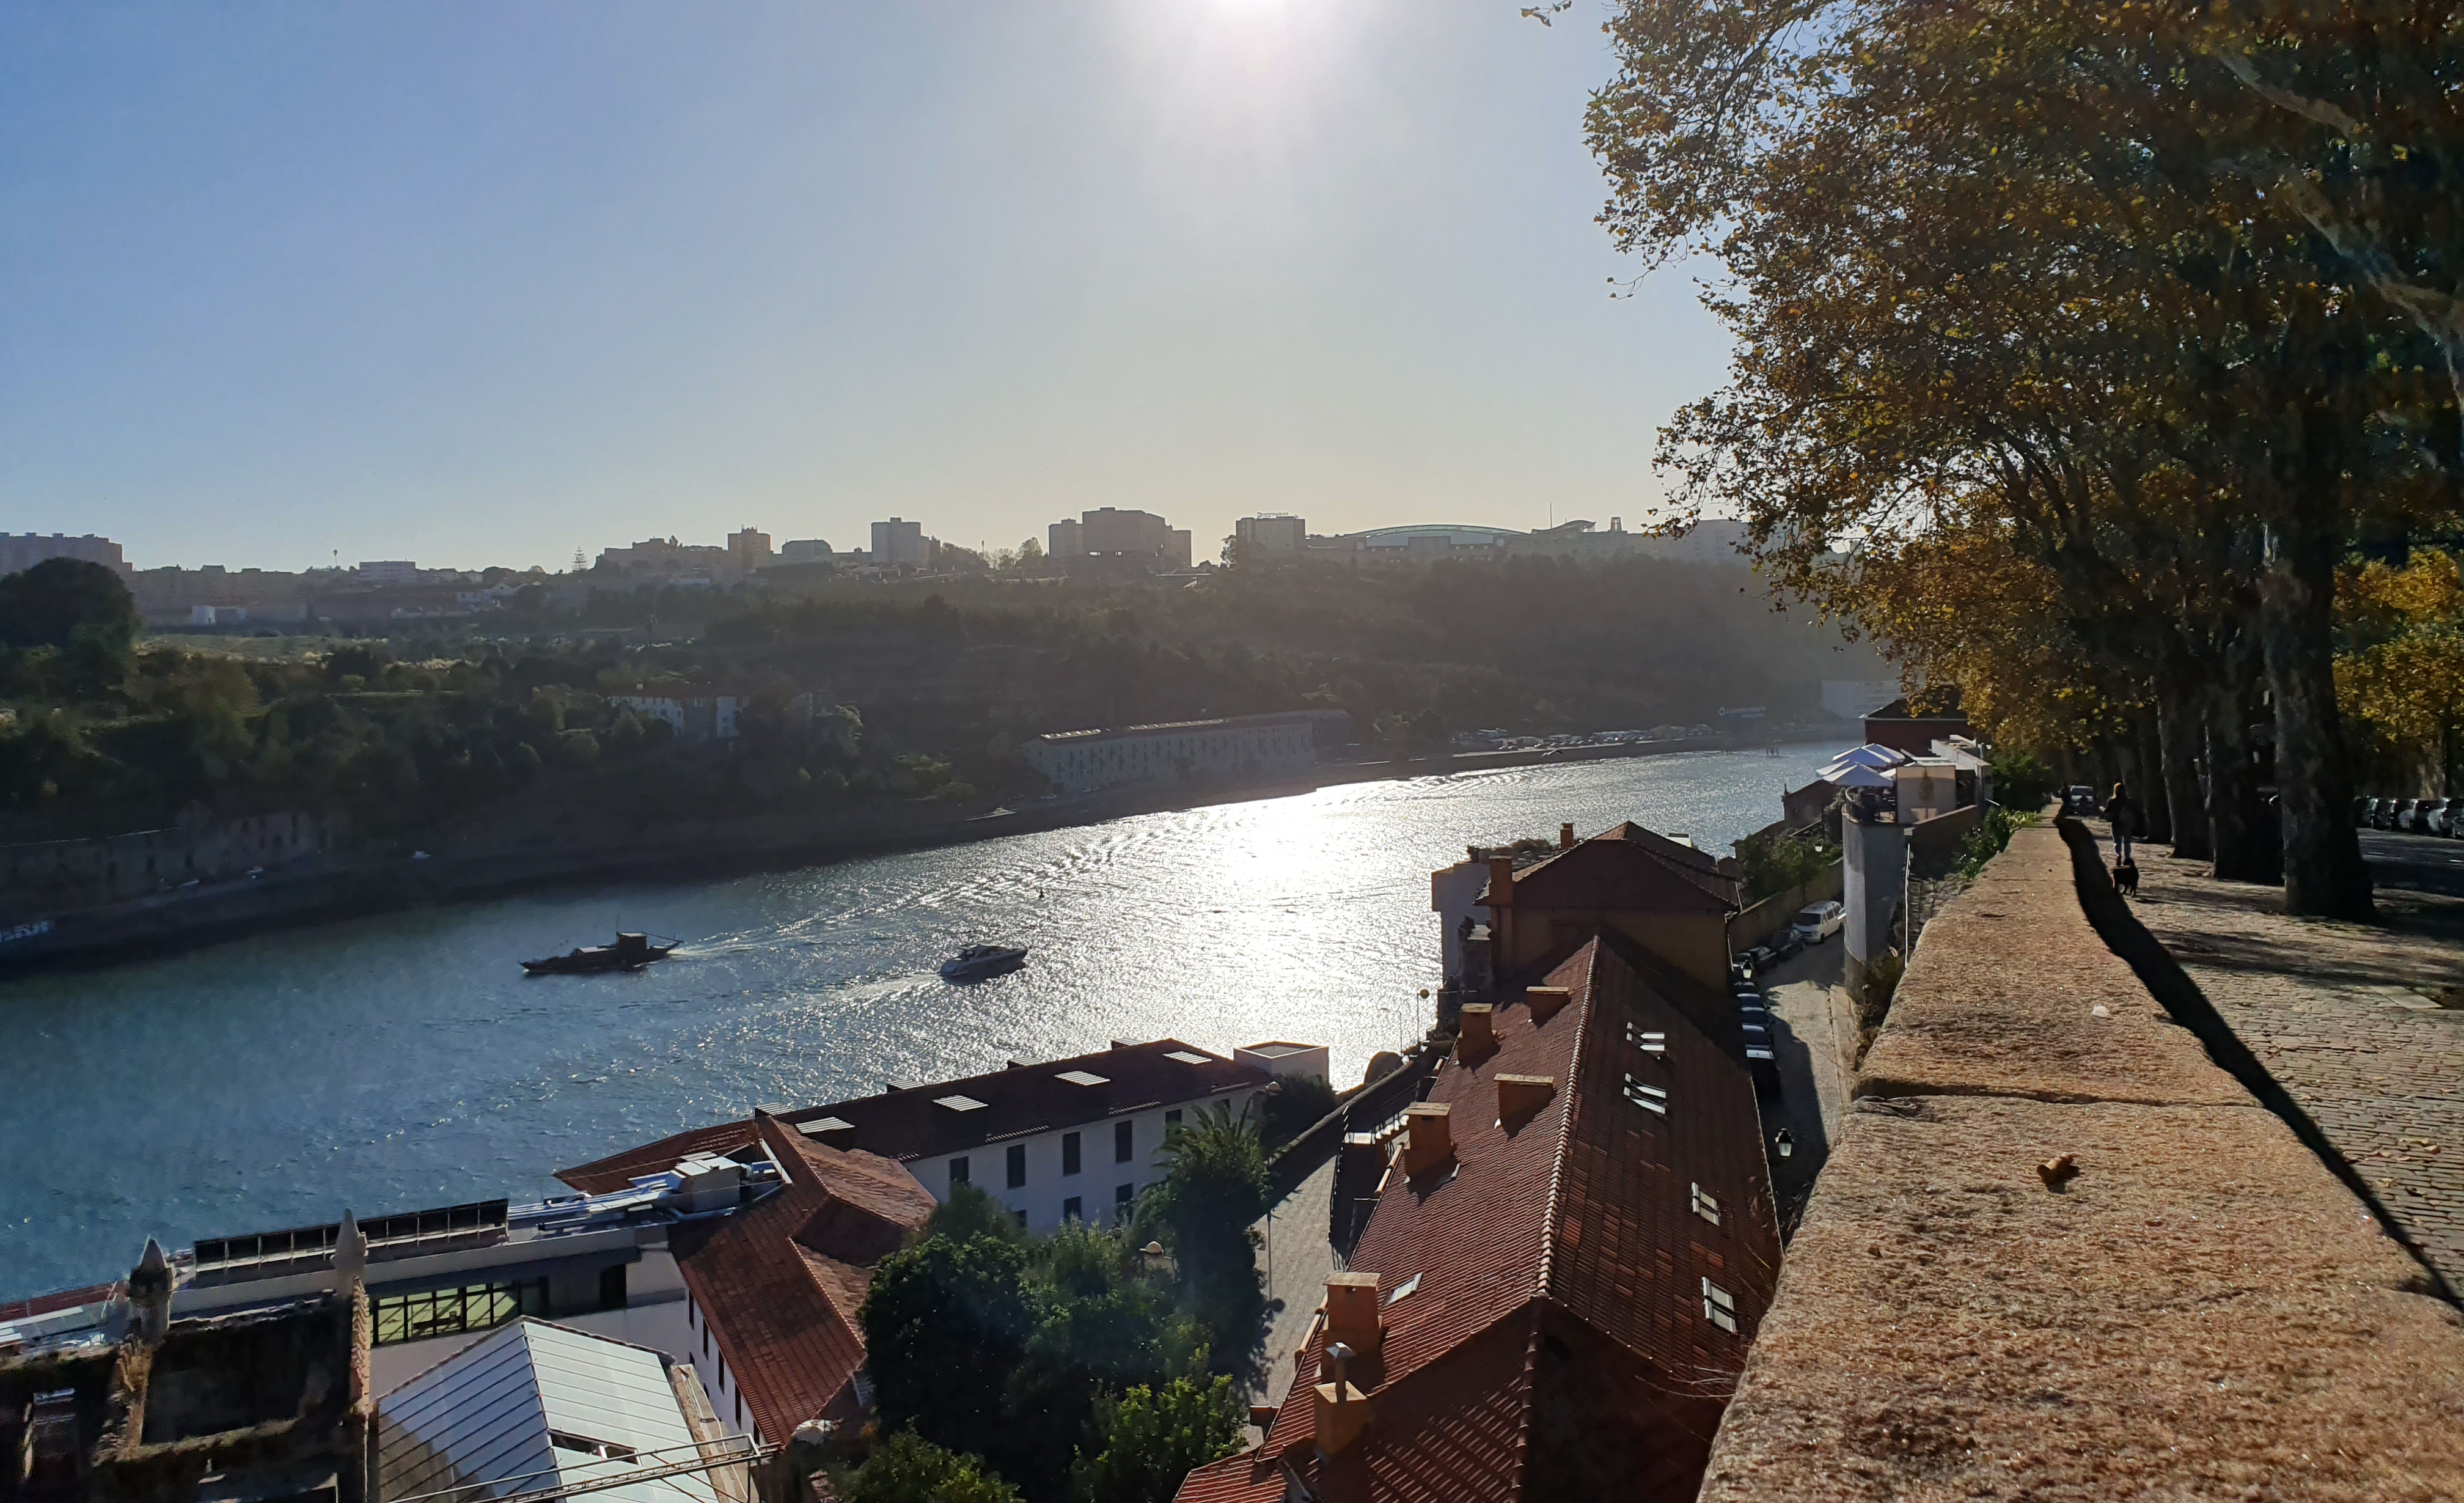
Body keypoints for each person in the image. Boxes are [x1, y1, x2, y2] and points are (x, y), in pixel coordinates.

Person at [2108, 782, 2138, 862]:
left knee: (2117, 841)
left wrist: (2101, 808)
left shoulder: (2112, 801)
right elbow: (2134, 811)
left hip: (2116, 823)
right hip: (2127, 824)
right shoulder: (2128, 801)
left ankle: (2119, 854)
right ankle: (2127, 857)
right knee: (2127, 842)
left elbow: (2107, 811)